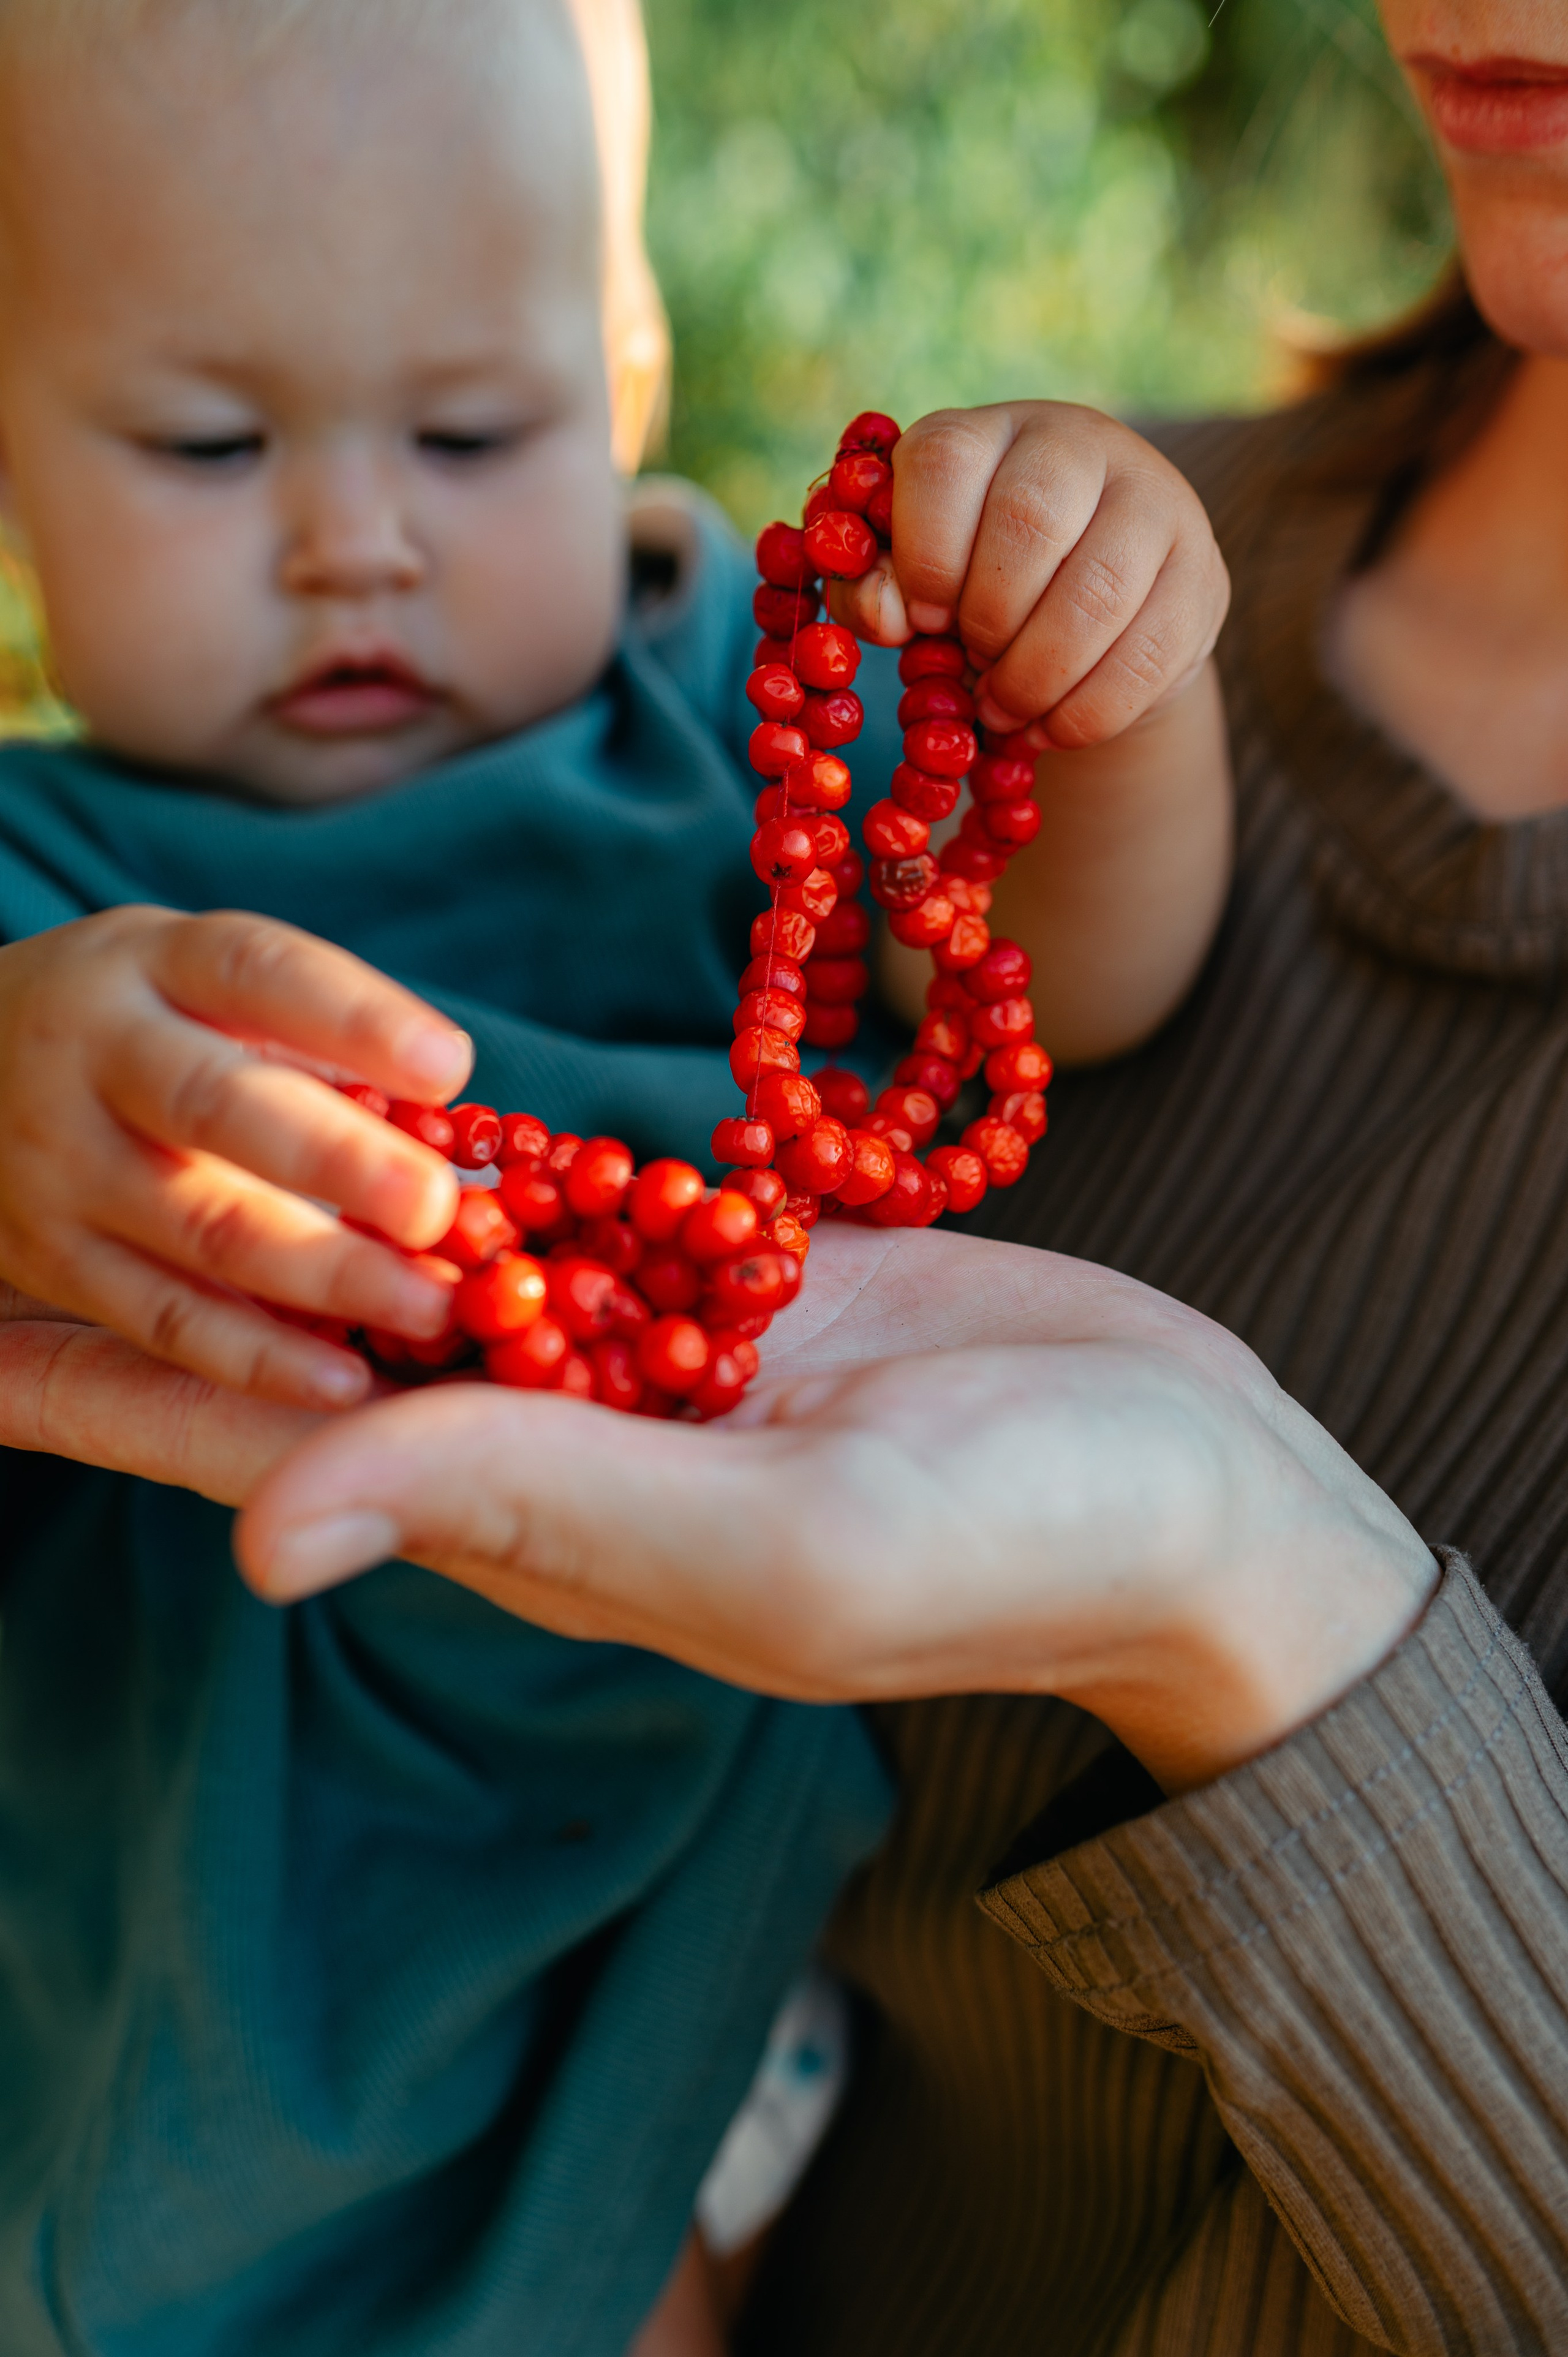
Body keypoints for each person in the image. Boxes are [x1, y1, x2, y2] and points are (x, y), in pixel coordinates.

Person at [42, 0, 1568, 2348]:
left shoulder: (746, 730)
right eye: (206, 441)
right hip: (214, 1903)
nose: (353, 537)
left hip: (708, 1944)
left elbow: (1084, 979)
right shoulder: (52, 891)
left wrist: (1116, 698)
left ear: (627, 375)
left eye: (471, 428)